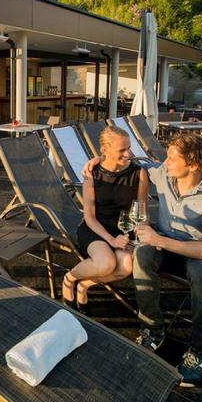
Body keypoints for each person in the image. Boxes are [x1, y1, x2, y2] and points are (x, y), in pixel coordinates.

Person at [83, 133, 202, 388]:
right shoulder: (163, 173)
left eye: (173, 158)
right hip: (165, 244)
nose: (165, 161)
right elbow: (130, 161)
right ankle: (152, 329)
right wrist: (99, 158)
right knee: (141, 253)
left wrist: (159, 240)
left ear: (193, 165)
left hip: (197, 252)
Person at [62, 126, 149, 314]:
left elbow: (141, 212)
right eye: (122, 150)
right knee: (106, 264)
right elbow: (89, 217)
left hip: (123, 229)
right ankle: (69, 278)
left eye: (129, 148)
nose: (128, 154)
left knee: (126, 266)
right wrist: (111, 240)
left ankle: (84, 285)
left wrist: (140, 234)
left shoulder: (139, 174)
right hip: (95, 229)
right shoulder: (91, 174)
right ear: (104, 150)